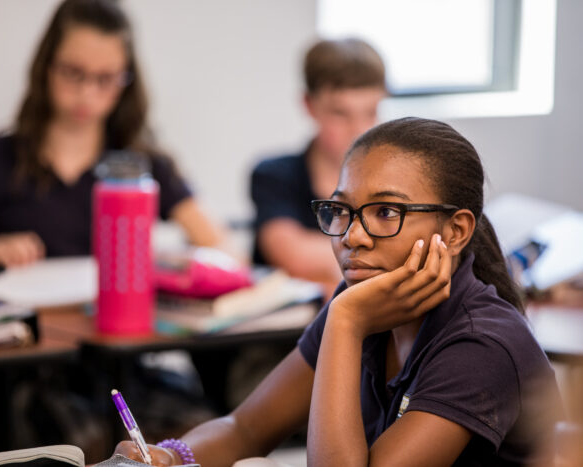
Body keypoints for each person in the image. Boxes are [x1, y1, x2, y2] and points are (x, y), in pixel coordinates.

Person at [117, 117, 563, 466]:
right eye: (340, 210)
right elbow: (245, 428)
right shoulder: (363, 299)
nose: (352, 236)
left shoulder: (480, 344)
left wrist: (346, 325)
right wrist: (169, 457)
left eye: (386, 211)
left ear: (457, 229)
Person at [0, 0, 226, 268]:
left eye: (106, 78)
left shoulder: (143, 165)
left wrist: (166, 264)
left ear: (127, 81)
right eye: (73, 73)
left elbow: (225, 252)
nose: (86, 94)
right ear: (47, 66)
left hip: (122, 343)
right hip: (27, 345)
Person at [251, 38, 386, 296]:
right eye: (340, 113)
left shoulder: (394, 180)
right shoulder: (274, 175)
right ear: (309, 105)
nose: (359, 130)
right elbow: (293, 256)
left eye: (370, 112)